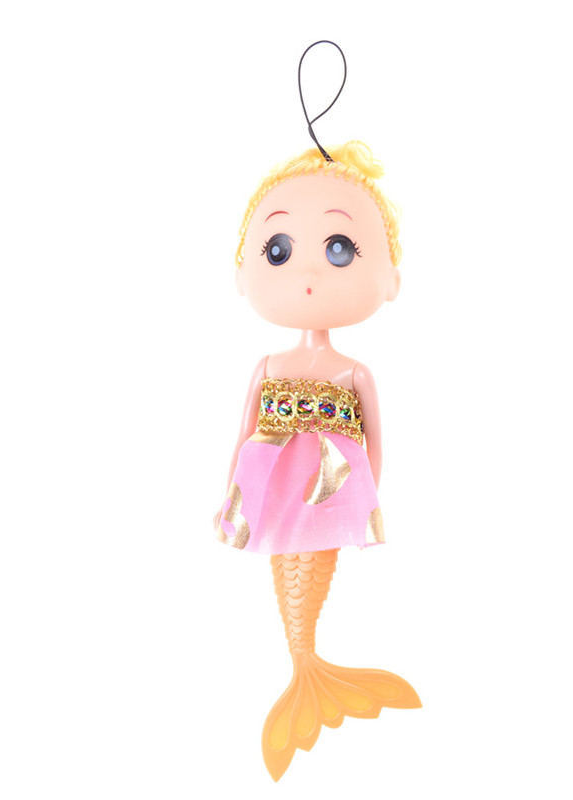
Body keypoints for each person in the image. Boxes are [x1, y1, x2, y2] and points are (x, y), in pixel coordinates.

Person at [214, 140, 420, 781]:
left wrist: (367, 502)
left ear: (390, 279)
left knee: (310, 573)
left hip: (330, 502)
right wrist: (228, 500)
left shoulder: (354, 371)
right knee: (288, 577)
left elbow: (376, 443)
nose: (308, 273)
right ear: (243, 273)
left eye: (339, 249)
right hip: (274, 499)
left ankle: (310, 671)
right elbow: (243, 433)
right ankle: (305, 667)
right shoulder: (268, 366)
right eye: (278, 251)